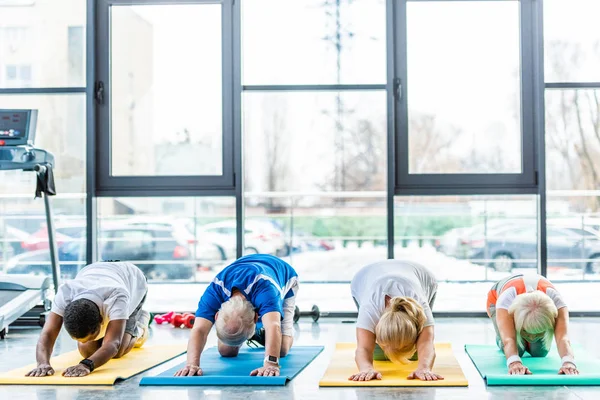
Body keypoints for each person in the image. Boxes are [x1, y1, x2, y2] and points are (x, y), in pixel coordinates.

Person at [174, 254, 299, 378]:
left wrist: (271, 363)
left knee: (281, 350)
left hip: (284, 276)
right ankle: (255, 331)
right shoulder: (213, 292)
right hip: (250, 277)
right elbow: (199, 329)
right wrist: (191, 364)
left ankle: (273, 316)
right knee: (226, 351)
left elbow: (274, 325)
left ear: (256, 317)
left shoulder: (267, 292)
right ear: (216, 315)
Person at [26, 261, 150, 378]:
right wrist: (42, 363)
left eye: (90, 337)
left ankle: (141, 325)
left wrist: (87, 365)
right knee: (87, 351)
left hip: (133, 282)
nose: (87, 341)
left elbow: (113, 344)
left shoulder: (117, 297)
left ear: (101, 320)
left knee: (118, 350)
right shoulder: (65, 293)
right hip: (96, 272)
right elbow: (47, 334)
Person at [349, 260, 441, 382]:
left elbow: (426, 343)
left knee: (417, 356)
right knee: (377, 353)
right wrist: (366, 368)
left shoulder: (420, 306)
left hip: (421, 275)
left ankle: (410, 348)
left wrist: (424, 368)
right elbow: (363, 348)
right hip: (365, 276)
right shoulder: (369, 308)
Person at [486, 273, 578, 376]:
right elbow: (509, 340)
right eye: (526, 332)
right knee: (518, 351)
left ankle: (530, 331)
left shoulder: (558, 303)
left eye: (538, 333)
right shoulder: (505, 301)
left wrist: (568, 362)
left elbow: (563, 338)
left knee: (539, 353)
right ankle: (501, 336)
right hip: (496, 299)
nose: (532, 337)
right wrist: (514, 362)